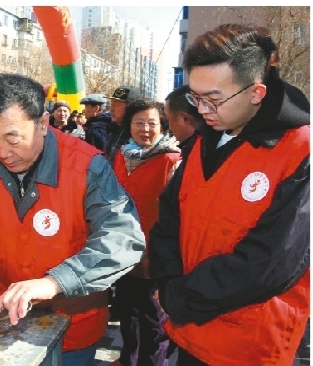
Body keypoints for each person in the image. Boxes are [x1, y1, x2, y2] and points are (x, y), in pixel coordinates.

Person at [0, 73, 146, 366]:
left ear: (42, 123)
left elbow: (123, 238)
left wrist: (55, 282)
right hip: (5, 319)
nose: (2, 152)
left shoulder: (86, 165)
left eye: (13, 139)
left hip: (74, 326)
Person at [149, 23, 310, 365]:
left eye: (213, 100)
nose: (201, 110)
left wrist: (177, 296)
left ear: (256, 93)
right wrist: (167, 282)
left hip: (249, 346)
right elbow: (169, 218)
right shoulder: (203, 140)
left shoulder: (301, 150)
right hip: (188, 330)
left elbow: (270, 264)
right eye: (195, 97)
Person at [109, 99, 180, 366]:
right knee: (128, 315)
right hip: (124, 254)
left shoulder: (172, 160)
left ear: (163, 126)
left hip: (156, 256)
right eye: (139, 122)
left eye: (152, 123)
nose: (145, 129)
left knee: (154, 323)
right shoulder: (121, 156)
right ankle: (129, 359)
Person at [104, 86, 142, 163]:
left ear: (130, 108)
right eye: (112, 104)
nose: (111, 109)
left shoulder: (137, 135)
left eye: (116, 105)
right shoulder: (115, 128)